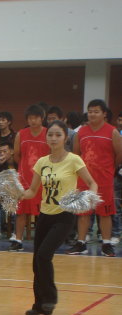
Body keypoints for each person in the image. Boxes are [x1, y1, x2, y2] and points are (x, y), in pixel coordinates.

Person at [21, 120, 97, 315]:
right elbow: (32, 191)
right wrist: (17, 193)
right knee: (37, 262)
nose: (53, 138)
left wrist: (89, 197)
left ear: (66, 138)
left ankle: (50, 298)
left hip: (64, 216)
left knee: (44, 255)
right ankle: (39, 305)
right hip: (44, 215)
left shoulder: (74, 160)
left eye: (58, 135)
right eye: (50, 135)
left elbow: (91, 183)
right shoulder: (42, 162)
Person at [68, 99, 122, 256]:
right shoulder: (81, 132)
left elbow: (119, 154)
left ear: (104, 114)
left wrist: (109, 168)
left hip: (104, 179)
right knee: (83, 212)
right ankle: (81, 243)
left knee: (105, 212)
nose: (92, 114)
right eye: (90, 111)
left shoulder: (112, 131)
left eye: (96, 111)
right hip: (84, 179)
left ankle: (106, 244)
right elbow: (76, 155)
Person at [10, 104, 49, 251]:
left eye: (36, 118)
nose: (33, 121)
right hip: (24, 179)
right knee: (21, 212)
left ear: (42, 118)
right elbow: (17, 155)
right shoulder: (21, 134)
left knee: (43, 213)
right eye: (30, 118)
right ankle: (18, 240)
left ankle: (42, 241)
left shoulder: (48, 133)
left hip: (43, 180)